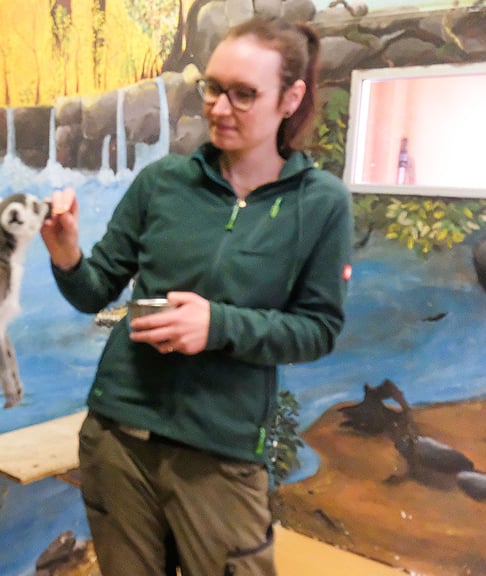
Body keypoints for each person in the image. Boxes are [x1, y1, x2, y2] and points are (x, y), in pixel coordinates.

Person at [40, 16, 353, 576]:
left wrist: (219, 326)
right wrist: (66, 252)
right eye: (212, 87)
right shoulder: (163, 182)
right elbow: (94, 291)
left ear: (291, 97)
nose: (219, 107)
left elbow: (317, 329)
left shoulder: (320, 203)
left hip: (221, 456)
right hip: (118, 440)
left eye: (244, 94)